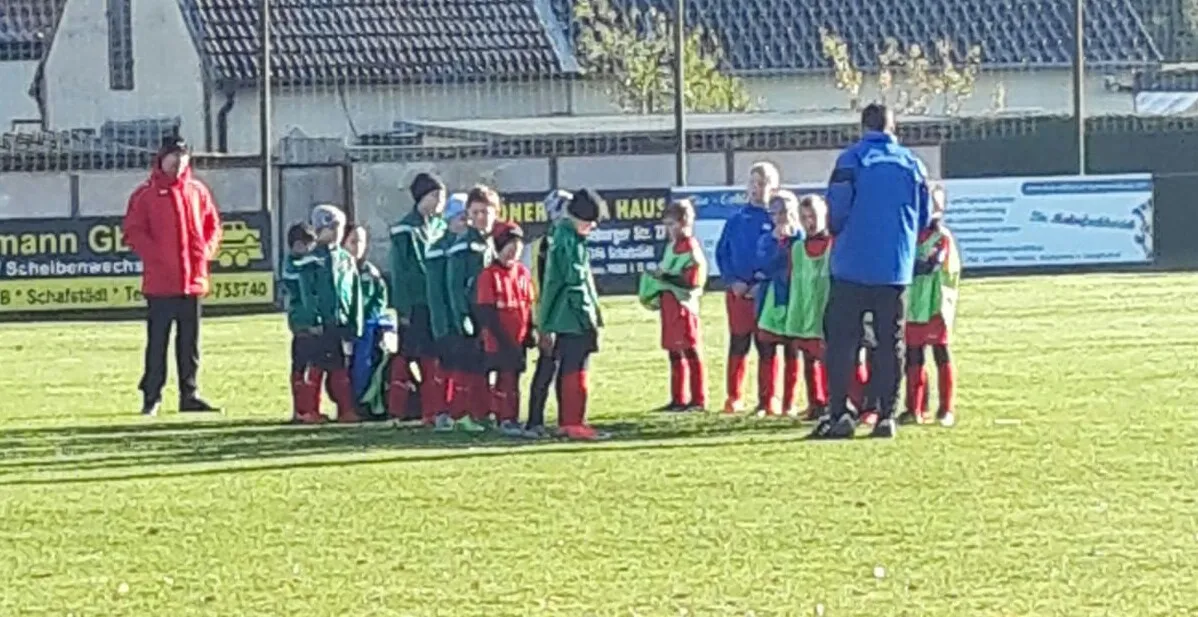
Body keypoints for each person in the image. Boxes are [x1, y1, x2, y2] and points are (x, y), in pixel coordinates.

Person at [813, 103, 931, 440]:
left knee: (842, 341)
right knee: (890, 342)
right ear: (893, 127)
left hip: (851, 264)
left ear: (863, 127)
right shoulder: (912, 163)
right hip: (894, 268)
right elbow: (923, 217)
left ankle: (841, 412)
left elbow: (836, 211)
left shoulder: (851, 160)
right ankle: (886, 415)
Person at [123, 136, 222, 416]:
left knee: (189, 343)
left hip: (192, 281)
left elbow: (213, 225)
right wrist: (156, 256)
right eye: (173, 156)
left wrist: (206, 251)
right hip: (161, 283)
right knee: (158, 342)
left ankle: (189, 394)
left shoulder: (197, 191)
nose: (178, 161)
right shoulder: (145, 194)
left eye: (182, 156)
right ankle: (152, 396)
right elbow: (133, 231)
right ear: (162, 158)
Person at [538, 189, 608, 441]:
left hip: (562, 316)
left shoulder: (562, 236)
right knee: (576, 368)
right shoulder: (570, 241)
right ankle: (573, 421)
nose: (592, 226)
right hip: (573, 316)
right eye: (590, 221)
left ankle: (568, 421)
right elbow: (575, 281)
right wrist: (588, 317)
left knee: (569, 366)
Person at [714, 161, 778, 413]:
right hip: (738, 293)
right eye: (752, 182)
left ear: (774, 187)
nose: (756, 188)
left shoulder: (776, 220)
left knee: (767, 345)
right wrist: (732, 281)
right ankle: (734, 397)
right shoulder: (736, 220)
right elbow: (722, 253)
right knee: (738, 343)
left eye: (762, 183)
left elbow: (782, 256)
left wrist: (763, 283)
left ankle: (768, 399)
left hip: (766, 293)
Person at [637, 199, 707, 412]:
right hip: (669, 305)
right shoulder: (671, 247)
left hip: (684, 305)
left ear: (685, 222)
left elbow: (693, 281)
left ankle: (698, 399)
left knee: (690, 349)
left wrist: (665, 277)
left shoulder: (690, 248)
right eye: (667, 225)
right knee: (673, 351)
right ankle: (678, 398)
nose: (670, 229)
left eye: (672, 224)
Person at [388, 173, 447, 422]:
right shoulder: (405, 230)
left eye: (442, 196)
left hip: (437, 301)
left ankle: (432, 409)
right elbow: (399, 272)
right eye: (435, 196)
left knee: (435, 357)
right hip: (416, 303)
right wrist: (402, 308)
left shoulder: (441, 227)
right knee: (409, 356)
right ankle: (399, 409)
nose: (440, 201)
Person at [901, 184, 960, 427]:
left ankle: (946, 409)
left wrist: (910, 265)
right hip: (913, 305)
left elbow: (930, 265)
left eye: (935, 206)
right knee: (913, 356)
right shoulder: (909, 235)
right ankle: (914, 408)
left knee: (940, 353)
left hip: (936, 305)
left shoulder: (942, 237)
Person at [445, 186, 500, 432]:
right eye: (475, 212)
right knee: (466, 366)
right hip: (471, 313)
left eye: (485, 212)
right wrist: (462, 316)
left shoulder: (494, 243)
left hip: (491, 312)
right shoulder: (463, 246)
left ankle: (482, 411)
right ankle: (460, 414)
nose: (480, 217)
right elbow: (454, 286)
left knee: (485, 365)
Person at [476, 221, 537, 437]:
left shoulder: (522, 273)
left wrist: (530, 331)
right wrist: (503, 339)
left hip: (518, 339)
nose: (513, 253)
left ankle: (512, 416)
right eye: (509, 248)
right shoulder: (489, 275)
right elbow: (486, 312)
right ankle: (503, 417)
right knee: (504, 378)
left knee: (514, 379)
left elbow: (528, 304)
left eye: (517, 249)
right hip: (499, 339)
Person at [309, 205, 363, 423]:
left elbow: (355, 290)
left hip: (342, 322)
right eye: (332, 228)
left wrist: (356, 321)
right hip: (321, 323)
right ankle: (311, 409)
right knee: (316, 368)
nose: (337, 232)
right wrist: (313, 318)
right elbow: (308, 291)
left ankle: (345, 410)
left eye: (339, 228)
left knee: (341, 369)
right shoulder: (312, 259)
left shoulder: (346, 258)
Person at [524, 190, 571, 436]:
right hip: (551, 317)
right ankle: (535, 421)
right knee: (547, 367)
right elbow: (540, 286)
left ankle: (566, 420)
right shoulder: (545, 246)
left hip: (567, 316)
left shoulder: (565, 240)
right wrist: (543, 324)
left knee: (565, 370)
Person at [753, 190, 805, 417]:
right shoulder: (766, 239)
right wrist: (777, 243)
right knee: (766, 350)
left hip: (794, 298)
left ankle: (789, 403)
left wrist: (791, 241)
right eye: (774, 213)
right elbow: (764, 265)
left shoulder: (801, 238)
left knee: (793, 352)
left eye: (784, 212)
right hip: (770, 300)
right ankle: (766, 401)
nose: (780, 217)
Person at [785, 195, 833, 421]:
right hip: (804, 313)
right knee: (808, 358)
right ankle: (816, 403)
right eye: (804, 218)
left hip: (827, 313)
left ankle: (835, 402)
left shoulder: (833, 245)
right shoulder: (797, 248)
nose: (809, 222)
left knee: (830, 360)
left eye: (813, 216)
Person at [425, 193, 468, 431]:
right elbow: (436, 292)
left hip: (463, 318)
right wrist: (441, 324)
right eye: (462, 218)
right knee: (446, 367)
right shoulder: (439, 249)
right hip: (446, 320)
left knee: (463, 367)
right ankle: (440, 411)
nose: (466, 223)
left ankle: (461, 409)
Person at [343, 223, 395, 418]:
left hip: (367, 326)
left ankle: (368, 400)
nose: (358, 247)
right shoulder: (339, 270)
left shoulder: (371, 273)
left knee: (367, 361)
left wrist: (369, 317)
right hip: (343, 326)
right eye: (353, 242)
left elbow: (380, 298)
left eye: (361, 242)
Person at [281, 222, 326, 424]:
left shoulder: (299, 264)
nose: (309, 249)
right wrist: (313, 320)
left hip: (302, 319)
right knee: (305, 365)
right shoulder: (297, 266)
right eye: (305, 244)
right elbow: (306, 295)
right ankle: (303, 410)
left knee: (304, 364)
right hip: (302, 321)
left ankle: (307, 409)